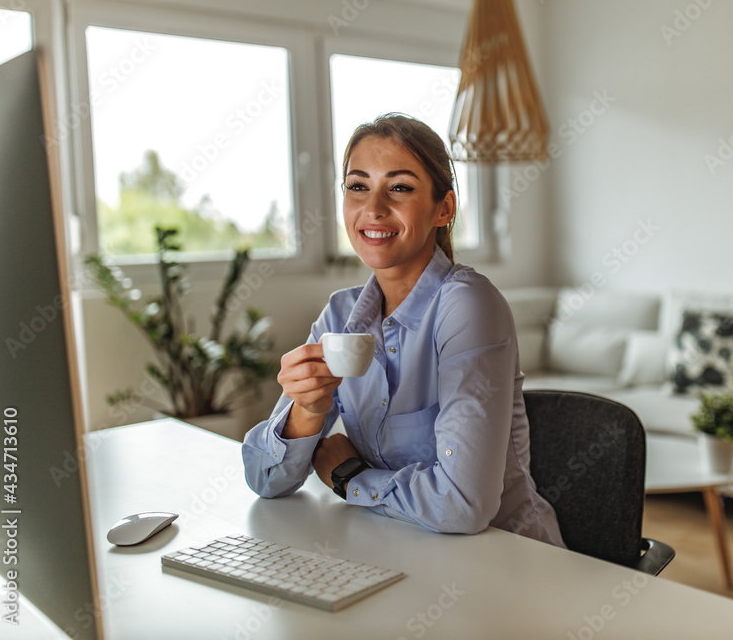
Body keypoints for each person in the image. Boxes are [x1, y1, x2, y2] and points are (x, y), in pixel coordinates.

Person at [242, 114, 564, 547]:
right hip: (394, 547)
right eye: (358, 186)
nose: (373, 207)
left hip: (503, 560)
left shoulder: (467, 305)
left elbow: (463, 506)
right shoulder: (340, 316)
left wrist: (349, 477)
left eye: (399, 187)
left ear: (443, 208)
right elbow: (265, 481)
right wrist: (307, 411)